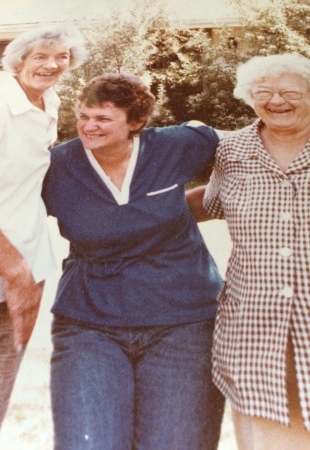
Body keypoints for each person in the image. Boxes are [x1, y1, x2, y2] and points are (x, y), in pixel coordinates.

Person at [42, 73, 225, 450]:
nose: (90, 126)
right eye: (84, 116)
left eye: (104, 118)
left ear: (136, 122)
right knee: (88, 443)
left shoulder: (175, 146)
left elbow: (253, 147)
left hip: (183, 321)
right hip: (91, 322)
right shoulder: (56, 165)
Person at [187, 53, 310, 450]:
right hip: (253, 323)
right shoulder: (232, 150)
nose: (277, 101)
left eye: (291, 92)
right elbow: (211, 202)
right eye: (263, 92)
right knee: (264, 436)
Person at [0, 24, 87, 449]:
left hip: (17, 283)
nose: (52, 64)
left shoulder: (48, 103)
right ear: (18, 60)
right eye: (40, 55)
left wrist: (26, 274)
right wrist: (16, 272)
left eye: (61, 57)